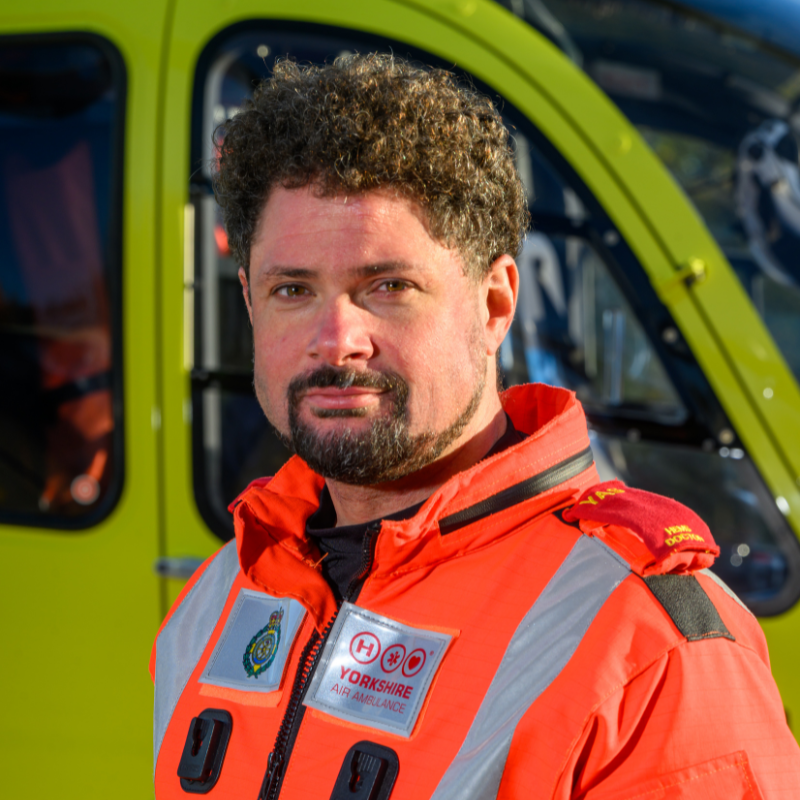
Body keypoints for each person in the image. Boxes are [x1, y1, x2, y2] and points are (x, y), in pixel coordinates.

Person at [151, 54, 800, 799]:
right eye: (292, 289)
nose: (336, 339)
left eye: (388, 286)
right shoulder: (219, 594)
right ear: (249, 301)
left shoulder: (652, 648)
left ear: (495, 304)